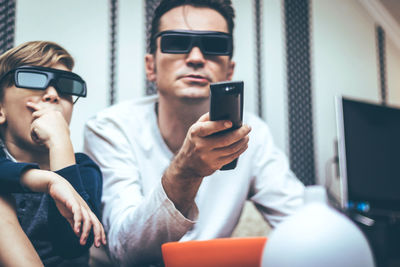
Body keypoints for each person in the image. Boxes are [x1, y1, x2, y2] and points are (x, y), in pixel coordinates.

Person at [84, 0, 305, 265]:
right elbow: (127, 251)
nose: (197, 58)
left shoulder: (252, 135)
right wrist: (185, 172)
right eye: (176, 43)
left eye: (214, 46)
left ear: (229, 71)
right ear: (150, 66)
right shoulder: (109, 129)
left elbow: (303, 225)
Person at [0, 41, 106, 266]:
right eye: (33, 79)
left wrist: (60, 144)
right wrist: (47, 181)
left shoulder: (85, 169)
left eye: (66, 86)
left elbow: (72, 246)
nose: (52, 94)